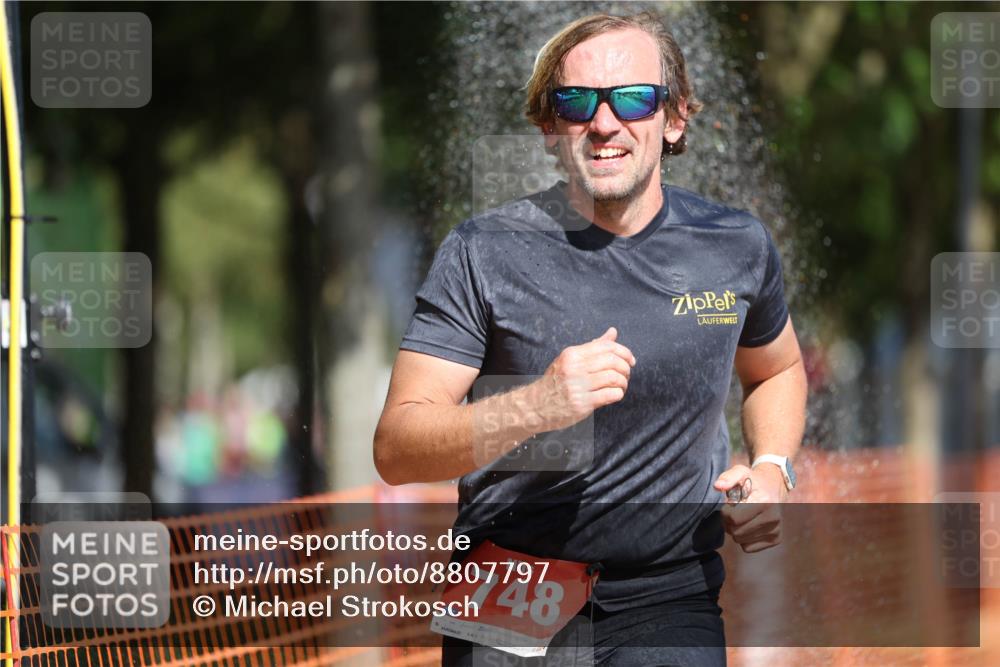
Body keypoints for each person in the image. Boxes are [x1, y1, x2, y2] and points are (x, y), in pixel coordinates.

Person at [374, 11, 807, 667]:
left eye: (634, 98)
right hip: (510, 585)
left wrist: (773, 466)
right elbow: (397, 449)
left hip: (668, 592)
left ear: (675, 118)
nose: (605, 123)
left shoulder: (735, 247)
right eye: (577, 103)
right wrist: (539, 403)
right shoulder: (484, 251)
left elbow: (777, 369)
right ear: (551, 127)